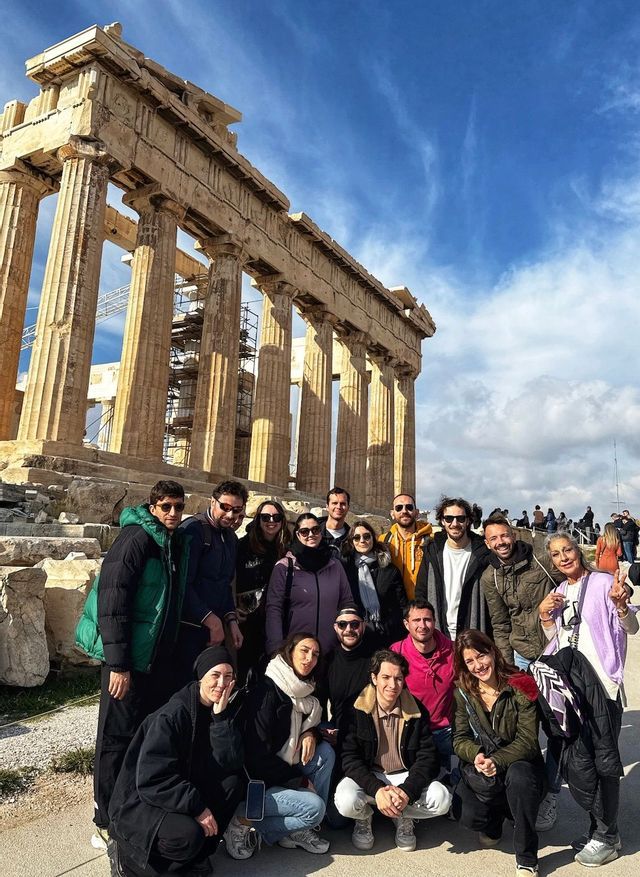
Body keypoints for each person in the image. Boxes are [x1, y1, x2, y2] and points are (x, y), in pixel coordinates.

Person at [75, 480, 190, 850]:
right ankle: (103, 818)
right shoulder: (136, 539)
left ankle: (132, 805)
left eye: (178, 507)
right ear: (154, 506)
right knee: (114, 739)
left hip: (152, 659)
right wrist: (118, 664)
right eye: (167, 506)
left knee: (143, 735)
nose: (173, 513)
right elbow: (113, 601)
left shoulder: (170, 542)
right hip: (127, 661)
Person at [535, 533, 638, 867]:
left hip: (603, 686)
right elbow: (559, 641)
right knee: (581, 763)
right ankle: (598, 830)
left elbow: (631, 627)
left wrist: (621, 605)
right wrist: (546, 617)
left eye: (567, 549)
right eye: (556, 554)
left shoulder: (605, 582)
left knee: (604, 761)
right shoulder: (560, 592)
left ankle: (609, 837)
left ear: (578, 551)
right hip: (572, 691)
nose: (564, 557)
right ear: (551, 561)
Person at [107, 646, 244, 877]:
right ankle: (128, 858)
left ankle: (196, 857)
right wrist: (198, 807)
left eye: (228, 677)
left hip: (179, 790)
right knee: (188, 835)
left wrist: (221, 720)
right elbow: (153, 779)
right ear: (201, 677)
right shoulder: (172, 716)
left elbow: (230, 763)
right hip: (141, 800)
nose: (222, 684)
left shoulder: (219, 709)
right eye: (215, 675)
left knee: (233, 784)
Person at [225, 632, 334, 858]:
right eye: (304, 651)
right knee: (315, 808)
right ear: (290, 651)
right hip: (260, 779)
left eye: (315, 655)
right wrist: (299, 781)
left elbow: (311, 724)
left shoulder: (307, 690)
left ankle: (298, 828)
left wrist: (311, 733)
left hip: (284, 767)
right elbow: (257, 757)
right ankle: (240, 821)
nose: (309, 659)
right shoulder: (267, 691)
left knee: (325, 753)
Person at [334, 649, 451, 852]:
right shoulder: (355, 708)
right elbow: (349, 758)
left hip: (404, 775)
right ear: (374, 678)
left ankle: (402, 816)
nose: (392, 685)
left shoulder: (416, 710)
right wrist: (377, 789)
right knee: (345, 801)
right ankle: (365, 817)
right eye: (386, 677)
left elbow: (427, 757)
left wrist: (406, 792)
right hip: (370, 775)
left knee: (442, 800)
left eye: (398, 678)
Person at [452, 629, 544, 876]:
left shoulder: (519, 683)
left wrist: (498, 760)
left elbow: (529, 741)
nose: (478, 666)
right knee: (465, 813)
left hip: (520, 761)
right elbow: (459, 739)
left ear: (492, 651)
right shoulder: (463, 691)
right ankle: (496, 822)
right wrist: (476, 755)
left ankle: (526, 856)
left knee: (520, 779)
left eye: (481, 656)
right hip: (486, 763)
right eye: (469, 661)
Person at [178, 481, 247, 683]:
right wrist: (210, 619)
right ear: (212, 501)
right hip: (189, 627)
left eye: (236, 510)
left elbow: (224, 584)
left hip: (213, 628)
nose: (230, 515)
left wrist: (231, 621)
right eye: (224, 507)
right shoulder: (194, 530)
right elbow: (183, 584)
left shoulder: (231, 538)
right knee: (187, 686)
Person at [265, 512, 352, 655]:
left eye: (316, 530)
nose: (311, 534)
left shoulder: (335, 565)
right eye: (304, 531)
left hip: (330, 649)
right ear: (298, 535)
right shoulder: (284, 567)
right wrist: (275, 648)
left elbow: (347, 602)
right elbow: (274, 609)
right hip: (295, 651)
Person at [390, 600, 455, 777]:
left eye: (427, 620)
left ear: (434, 621)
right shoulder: (395, 653)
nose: (422, 625)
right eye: (416, 620)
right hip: (412, 732)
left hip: (446, 731)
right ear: (406, 624)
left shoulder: (453, 650)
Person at [415, 496, 492, 640]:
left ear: (468, 520)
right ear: (442, 521)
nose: (455, 523)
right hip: (439, 632)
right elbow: (421, 592)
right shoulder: (432, 552)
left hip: (472, 631)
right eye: (449, 518)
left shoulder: (483, 554)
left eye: (460, 518)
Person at [235, 499, 291, 682]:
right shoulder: (242, 546)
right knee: (244, 675)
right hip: (246, 623)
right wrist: (232, 608)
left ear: (283, 520)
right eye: (265, 517)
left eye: (276, 517)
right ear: (258, 519)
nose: (271, 521)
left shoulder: (288, 549)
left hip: (278, 623)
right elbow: (230, 580)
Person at [341, 519, 406, 643]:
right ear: (351, 542)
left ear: (373, 538)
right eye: (356, 537)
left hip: (388, 635)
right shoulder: (347, 570)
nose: (362, 541)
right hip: (357, 636)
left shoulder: (389, 570)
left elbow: (401, 605)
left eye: (366, 536)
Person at [379, 492, 433, 600]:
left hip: (421, 607)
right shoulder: (382, 541)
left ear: (416, 513)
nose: (404, 511)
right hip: (392, 608)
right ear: (392, 513)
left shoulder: (431, 541)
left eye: (409, 507)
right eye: (399, 508)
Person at [319, 486, 351, 558]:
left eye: (343, 504)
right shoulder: (312, 532)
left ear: (348, 507)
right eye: (334, 503)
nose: (339, 507)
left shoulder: (352, 538)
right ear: (327, 506)